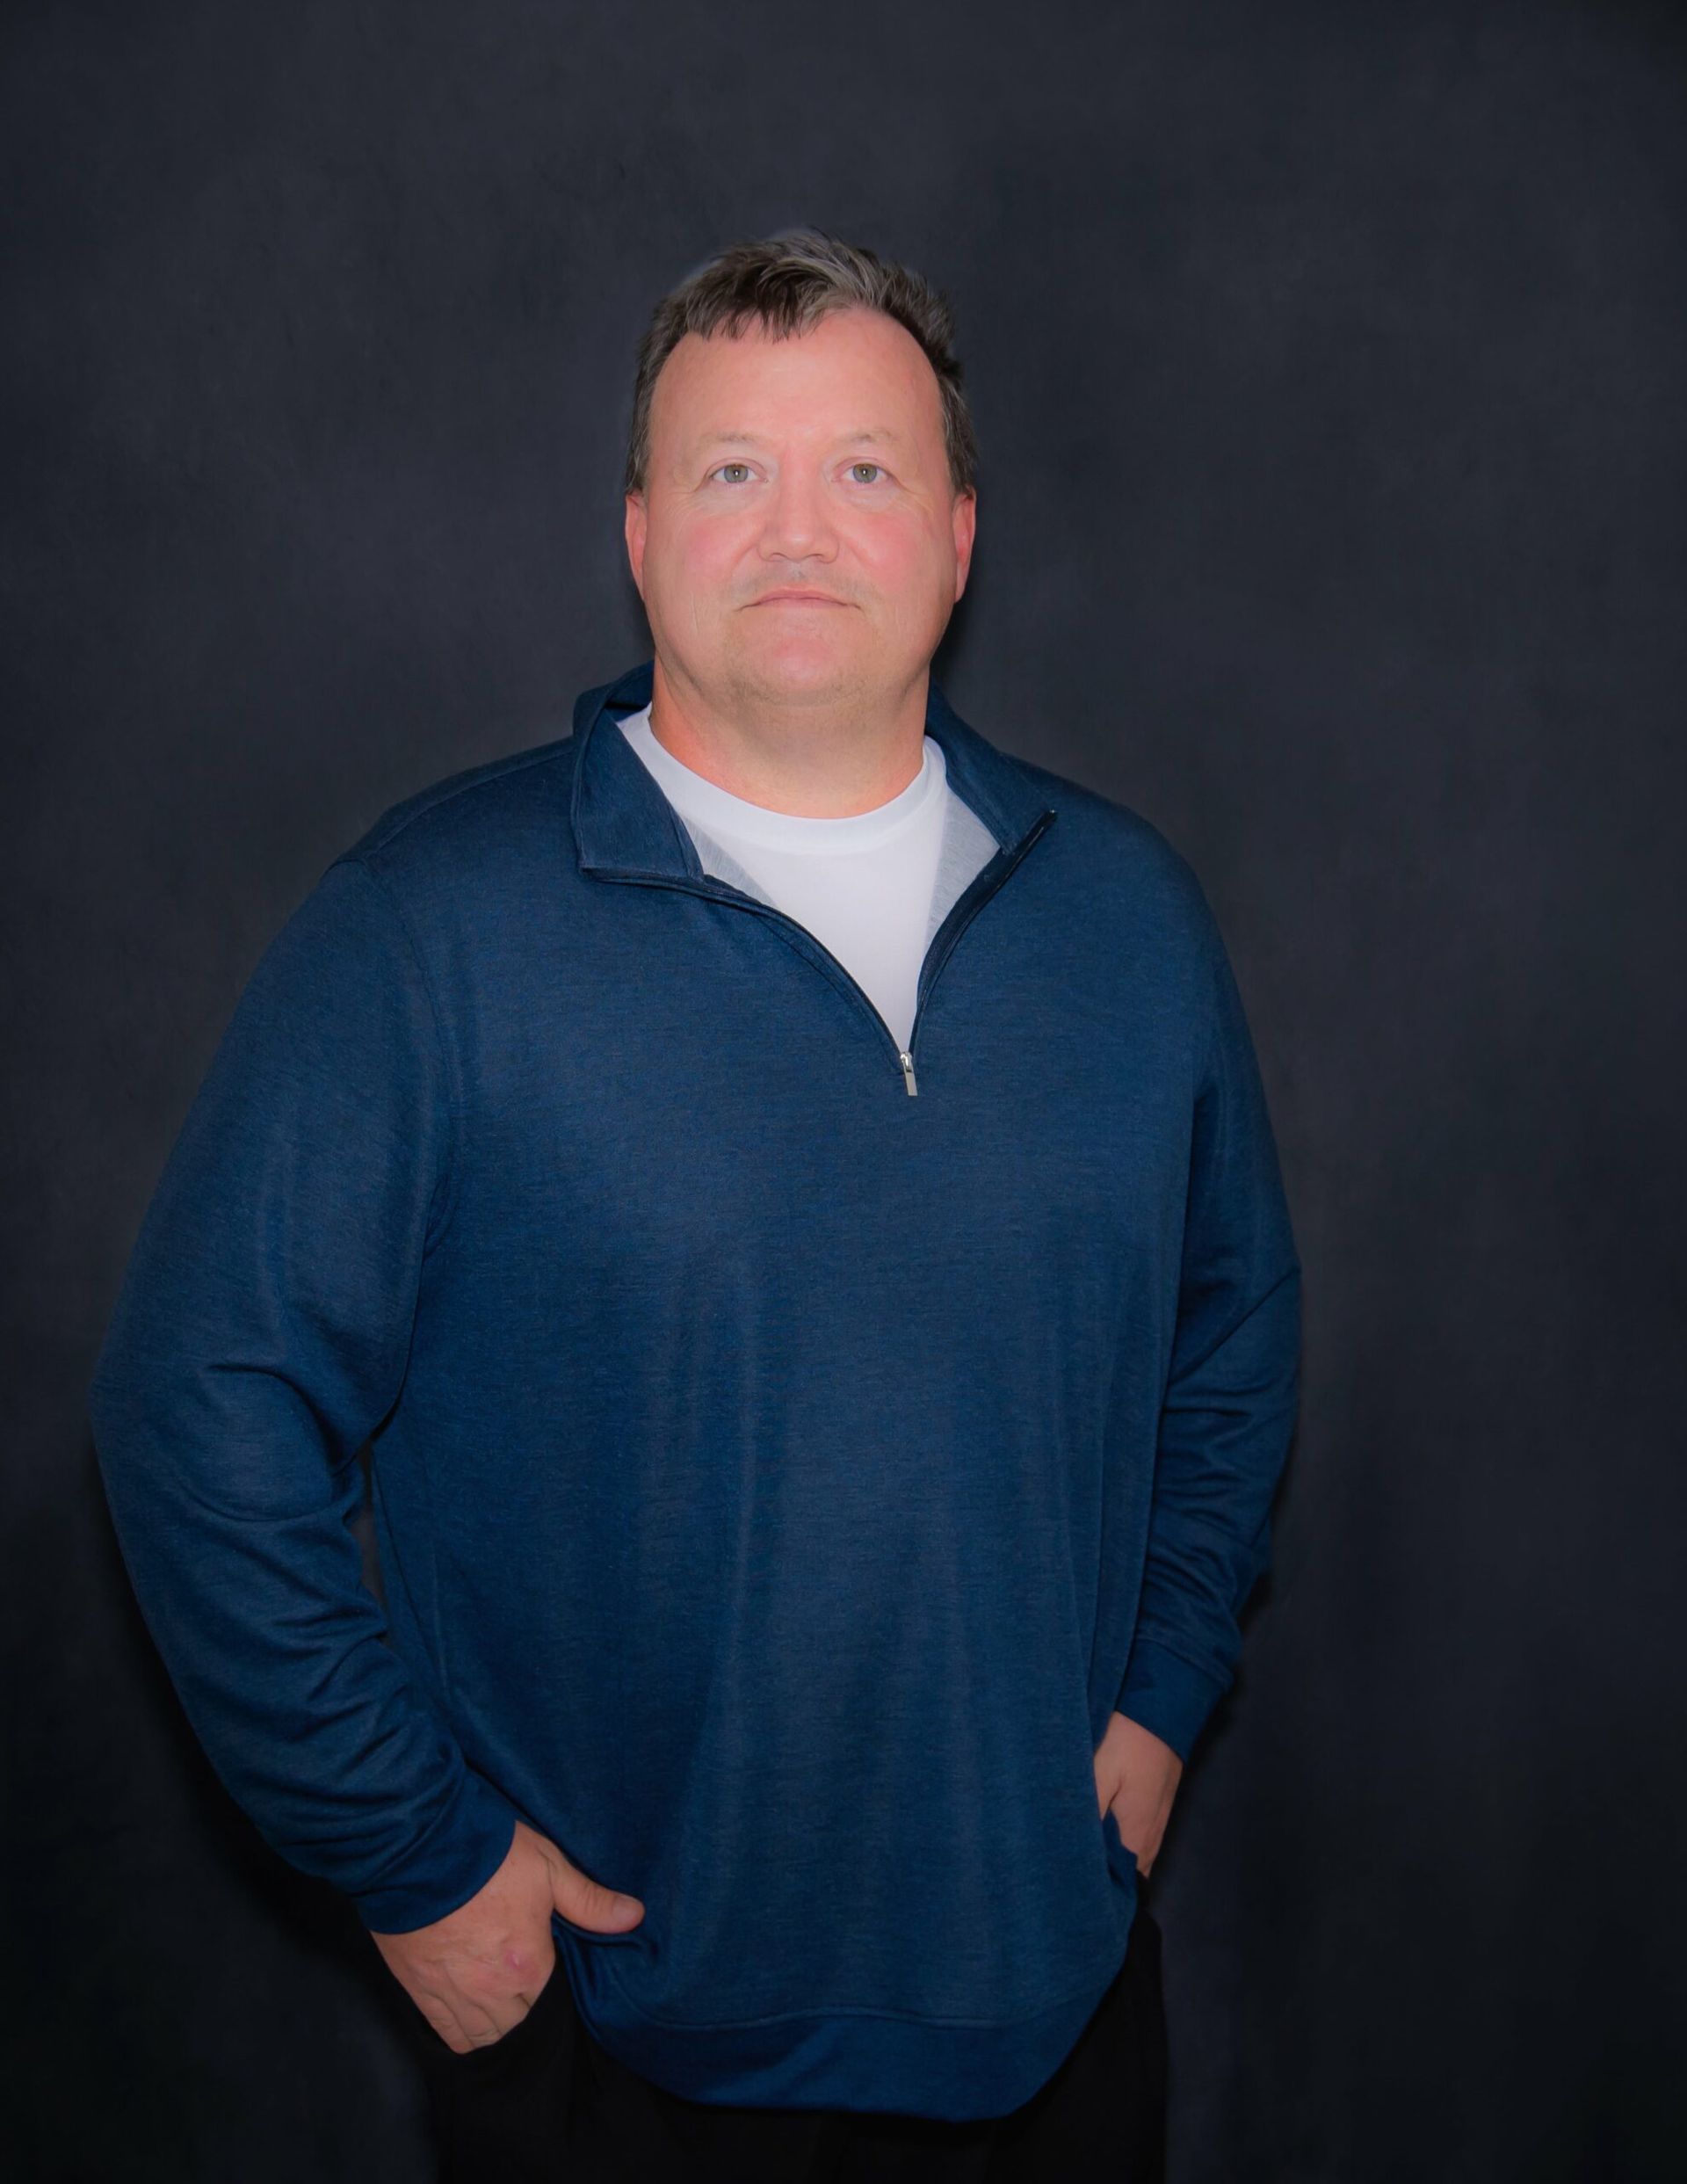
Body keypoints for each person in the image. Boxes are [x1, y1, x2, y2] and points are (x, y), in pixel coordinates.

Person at [87, 227, 1301, 2180]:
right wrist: (418, 1858)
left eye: (865, 469)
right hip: (623, 2053)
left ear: (961, 536)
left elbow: (1233, 1341)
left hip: (1061, 2009)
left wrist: (1162, 1694)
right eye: (733, 468)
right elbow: (195, 1407)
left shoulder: (1128, 922)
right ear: (643, 533)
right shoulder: (432, 929)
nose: (798, 525)